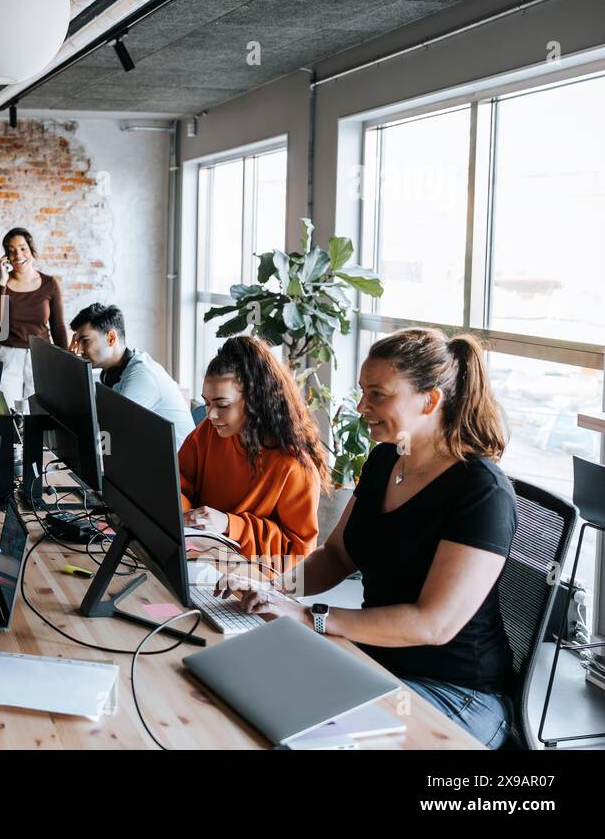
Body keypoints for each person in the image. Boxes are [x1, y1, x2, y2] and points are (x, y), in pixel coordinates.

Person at [225, 328, 517, 749]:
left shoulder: (482, 491)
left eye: (378, 394)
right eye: (363, 392)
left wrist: (309, 618)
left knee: (302, 739)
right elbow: (338, 555)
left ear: (430, 401)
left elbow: (433, 623)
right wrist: (269, 591)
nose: (363, 406)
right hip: (375, 657)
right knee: (255, 699)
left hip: (458, 692)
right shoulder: (385, 459)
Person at [177, 335, 326, 570]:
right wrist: (187, 519)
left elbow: (297, 557)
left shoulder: (294, 465)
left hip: (253, 582)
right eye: (207, 403)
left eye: (222, 405)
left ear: (255, 400)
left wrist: (228, 524)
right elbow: (177, 483)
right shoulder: (209, 431)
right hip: (201, 558)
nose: (211, 415)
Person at [68, 302, 195, 446]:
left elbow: (107, 433)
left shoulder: (141, 376)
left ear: (111, 338)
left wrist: (72, 368)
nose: (78, 349)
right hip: (150, 456)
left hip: (177, 465)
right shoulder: (111, 372)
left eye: (85, 341)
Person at [0, 227, 68, 404]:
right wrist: (2, 282)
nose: (18, 255)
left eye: (23, 248)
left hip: (41, 356)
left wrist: (66, 363)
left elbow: (58, 327)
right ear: (5, 257)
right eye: (11, 251)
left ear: (31, 250)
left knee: (38, 414)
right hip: (7, 355)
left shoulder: (50, 284)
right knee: (4, 413)